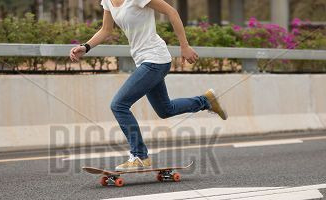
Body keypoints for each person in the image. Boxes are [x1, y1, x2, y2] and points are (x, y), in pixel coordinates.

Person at [70, 0, 228, 171]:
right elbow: (106, 30)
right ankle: (206, 101)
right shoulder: (107, 1)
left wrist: (184, 46)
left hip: (155, 59)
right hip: (144, 61)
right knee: (165, 110)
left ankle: (140, 156)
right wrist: (86, 47)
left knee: (119, 105)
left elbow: (171, 12)